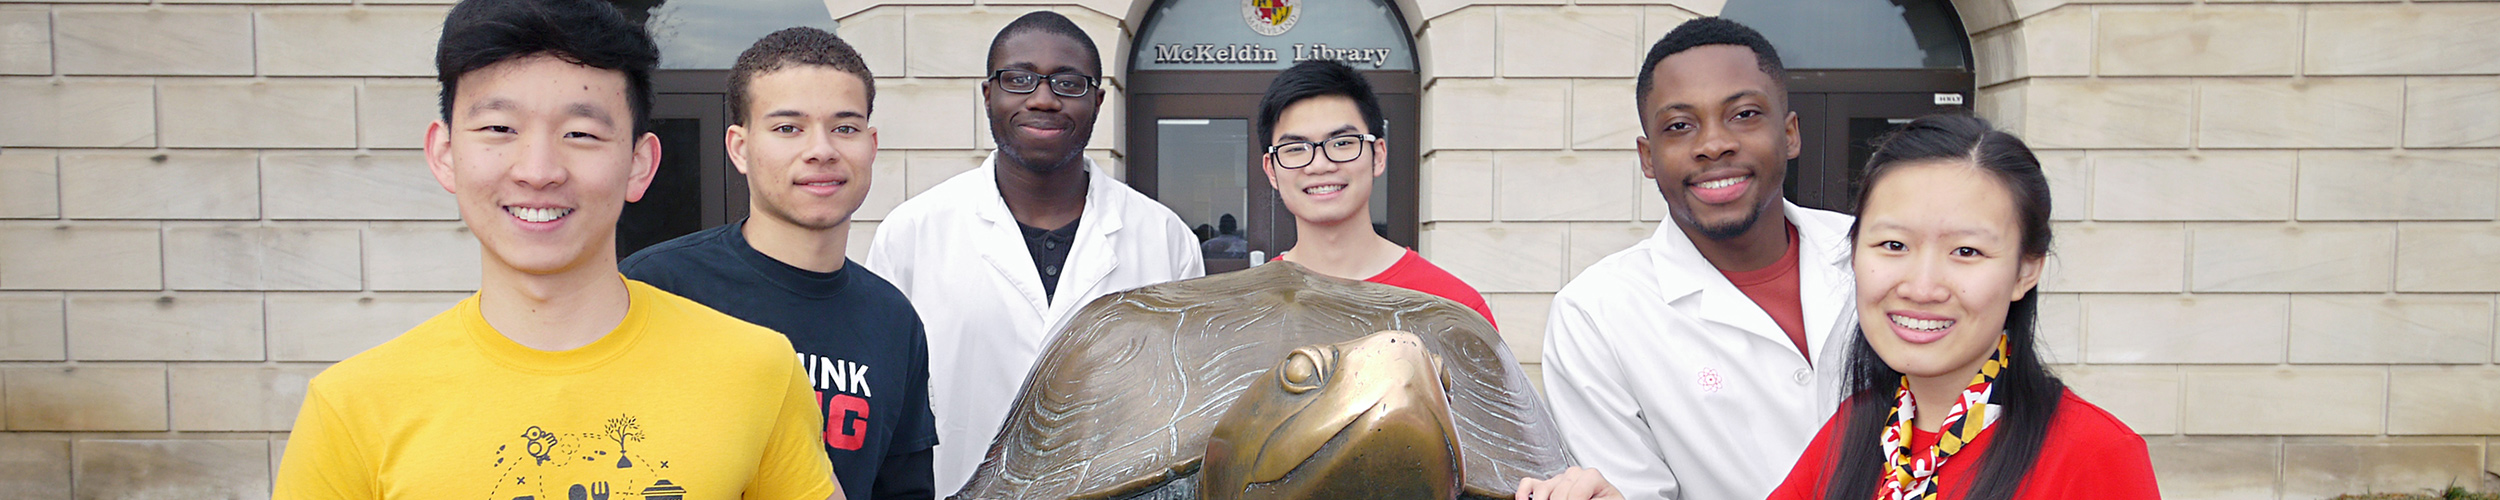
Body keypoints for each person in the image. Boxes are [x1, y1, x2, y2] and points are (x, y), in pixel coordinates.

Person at [273, 1, 841, 499]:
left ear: (639, 164)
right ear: (445, 153)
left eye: (581, 134)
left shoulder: (757, 371)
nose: (538, 171)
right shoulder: (352, 408)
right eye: (499, 129)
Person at [863, 11, 1205, 495]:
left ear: (1098, 101)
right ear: (989, 95)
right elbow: (882, 406)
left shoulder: (1164, 239)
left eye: (1068, 83)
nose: (1043, 99)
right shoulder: (913, 233)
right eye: (1019, 79)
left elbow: (1187, 408)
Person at [1522, 17, 1857, 500]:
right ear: (1648, 157)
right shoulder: (1595, 315)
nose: (1713, 145)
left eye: (1743, 114)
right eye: (1679, 126)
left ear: (1789, 133)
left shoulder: (1874, 256)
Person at [1765, 115, 2159, 500]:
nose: (1922, 288)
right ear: (1853, 251)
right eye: (1894, 245)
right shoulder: (1854, 429)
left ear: (2026, 270)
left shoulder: (2093, 455)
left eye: (1966, 251)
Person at [620, 27, 934, 500]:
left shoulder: (893, 320)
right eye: (788, 128)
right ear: (740, 149)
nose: (821, 150)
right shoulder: (657, 286)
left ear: (871, 145)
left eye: (844, 127)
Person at [1256, 59, 1496, 326]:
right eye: (1296, 148)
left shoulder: (1456, 307)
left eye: (1343, 143)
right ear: (1271, 170)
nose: (1320, 165)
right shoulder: (1247, 309)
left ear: (1379, 155)